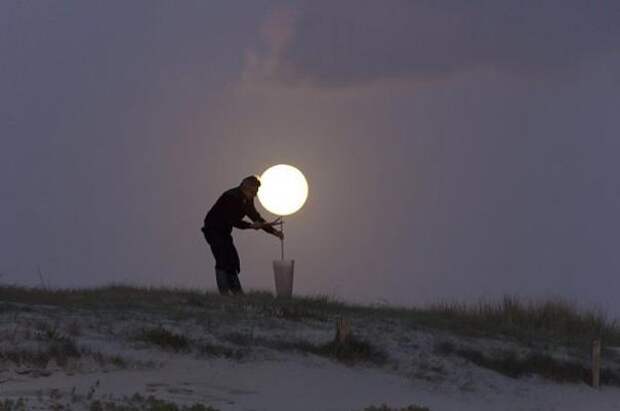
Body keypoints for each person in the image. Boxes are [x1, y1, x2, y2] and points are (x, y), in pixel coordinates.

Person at [201, 175, 283, 295]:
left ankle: (237, 293)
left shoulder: (248, 199)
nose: (255, 195)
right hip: (213, 229)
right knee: (222, 259)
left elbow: (256, 217)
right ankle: (224, 294)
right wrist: (250, 226)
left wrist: (274, 232)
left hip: (224, 232)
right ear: (245, 187)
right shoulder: (231, 196)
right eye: (253, 192)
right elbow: (231, 220)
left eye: (256, 192)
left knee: (233, 260)